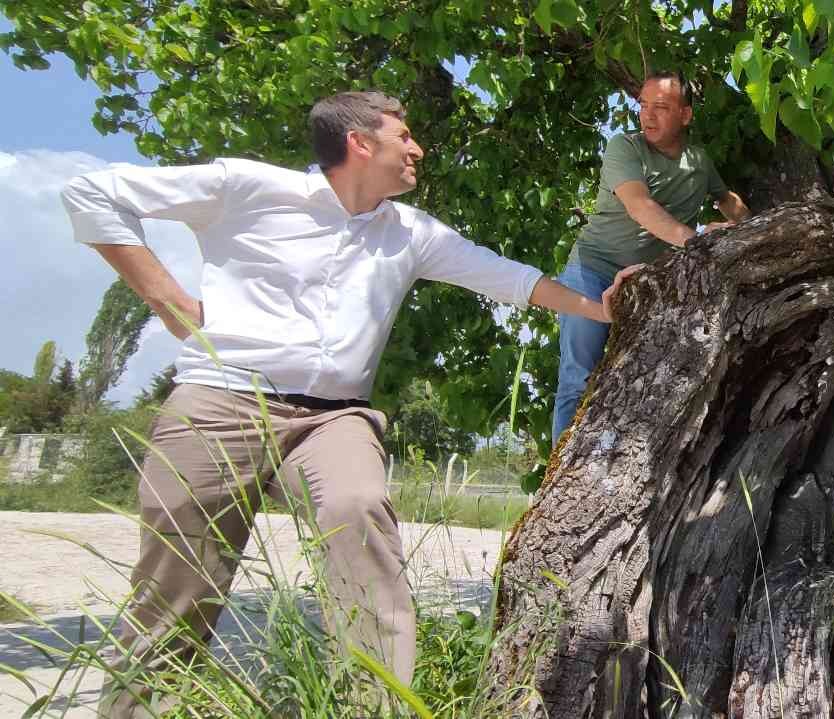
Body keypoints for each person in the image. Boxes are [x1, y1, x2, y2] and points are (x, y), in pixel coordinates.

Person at [60, 90, 622, 717]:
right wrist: (165, 298)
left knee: (359, 512)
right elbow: (92, 191)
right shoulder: (245, 186)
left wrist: (600, 309)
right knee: (178, 584)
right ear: (360, 143)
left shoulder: (412, 233)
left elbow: (510, 278)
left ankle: (378, 706)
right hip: (221, 403)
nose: (418, 148)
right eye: (403, 136)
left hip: (335, 416)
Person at [552, 71, 751, 441]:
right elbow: (640, 207)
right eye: (643, 106)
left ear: (686, 115)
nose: (648, 116)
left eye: (660, 107)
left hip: (649, 282)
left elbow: (727, 200)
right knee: (577, 378)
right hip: (593, 272)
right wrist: (697, 242)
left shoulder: (699, 161)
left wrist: (756, 230)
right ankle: (557, 490)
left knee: (649, 379)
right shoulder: (623, 147)